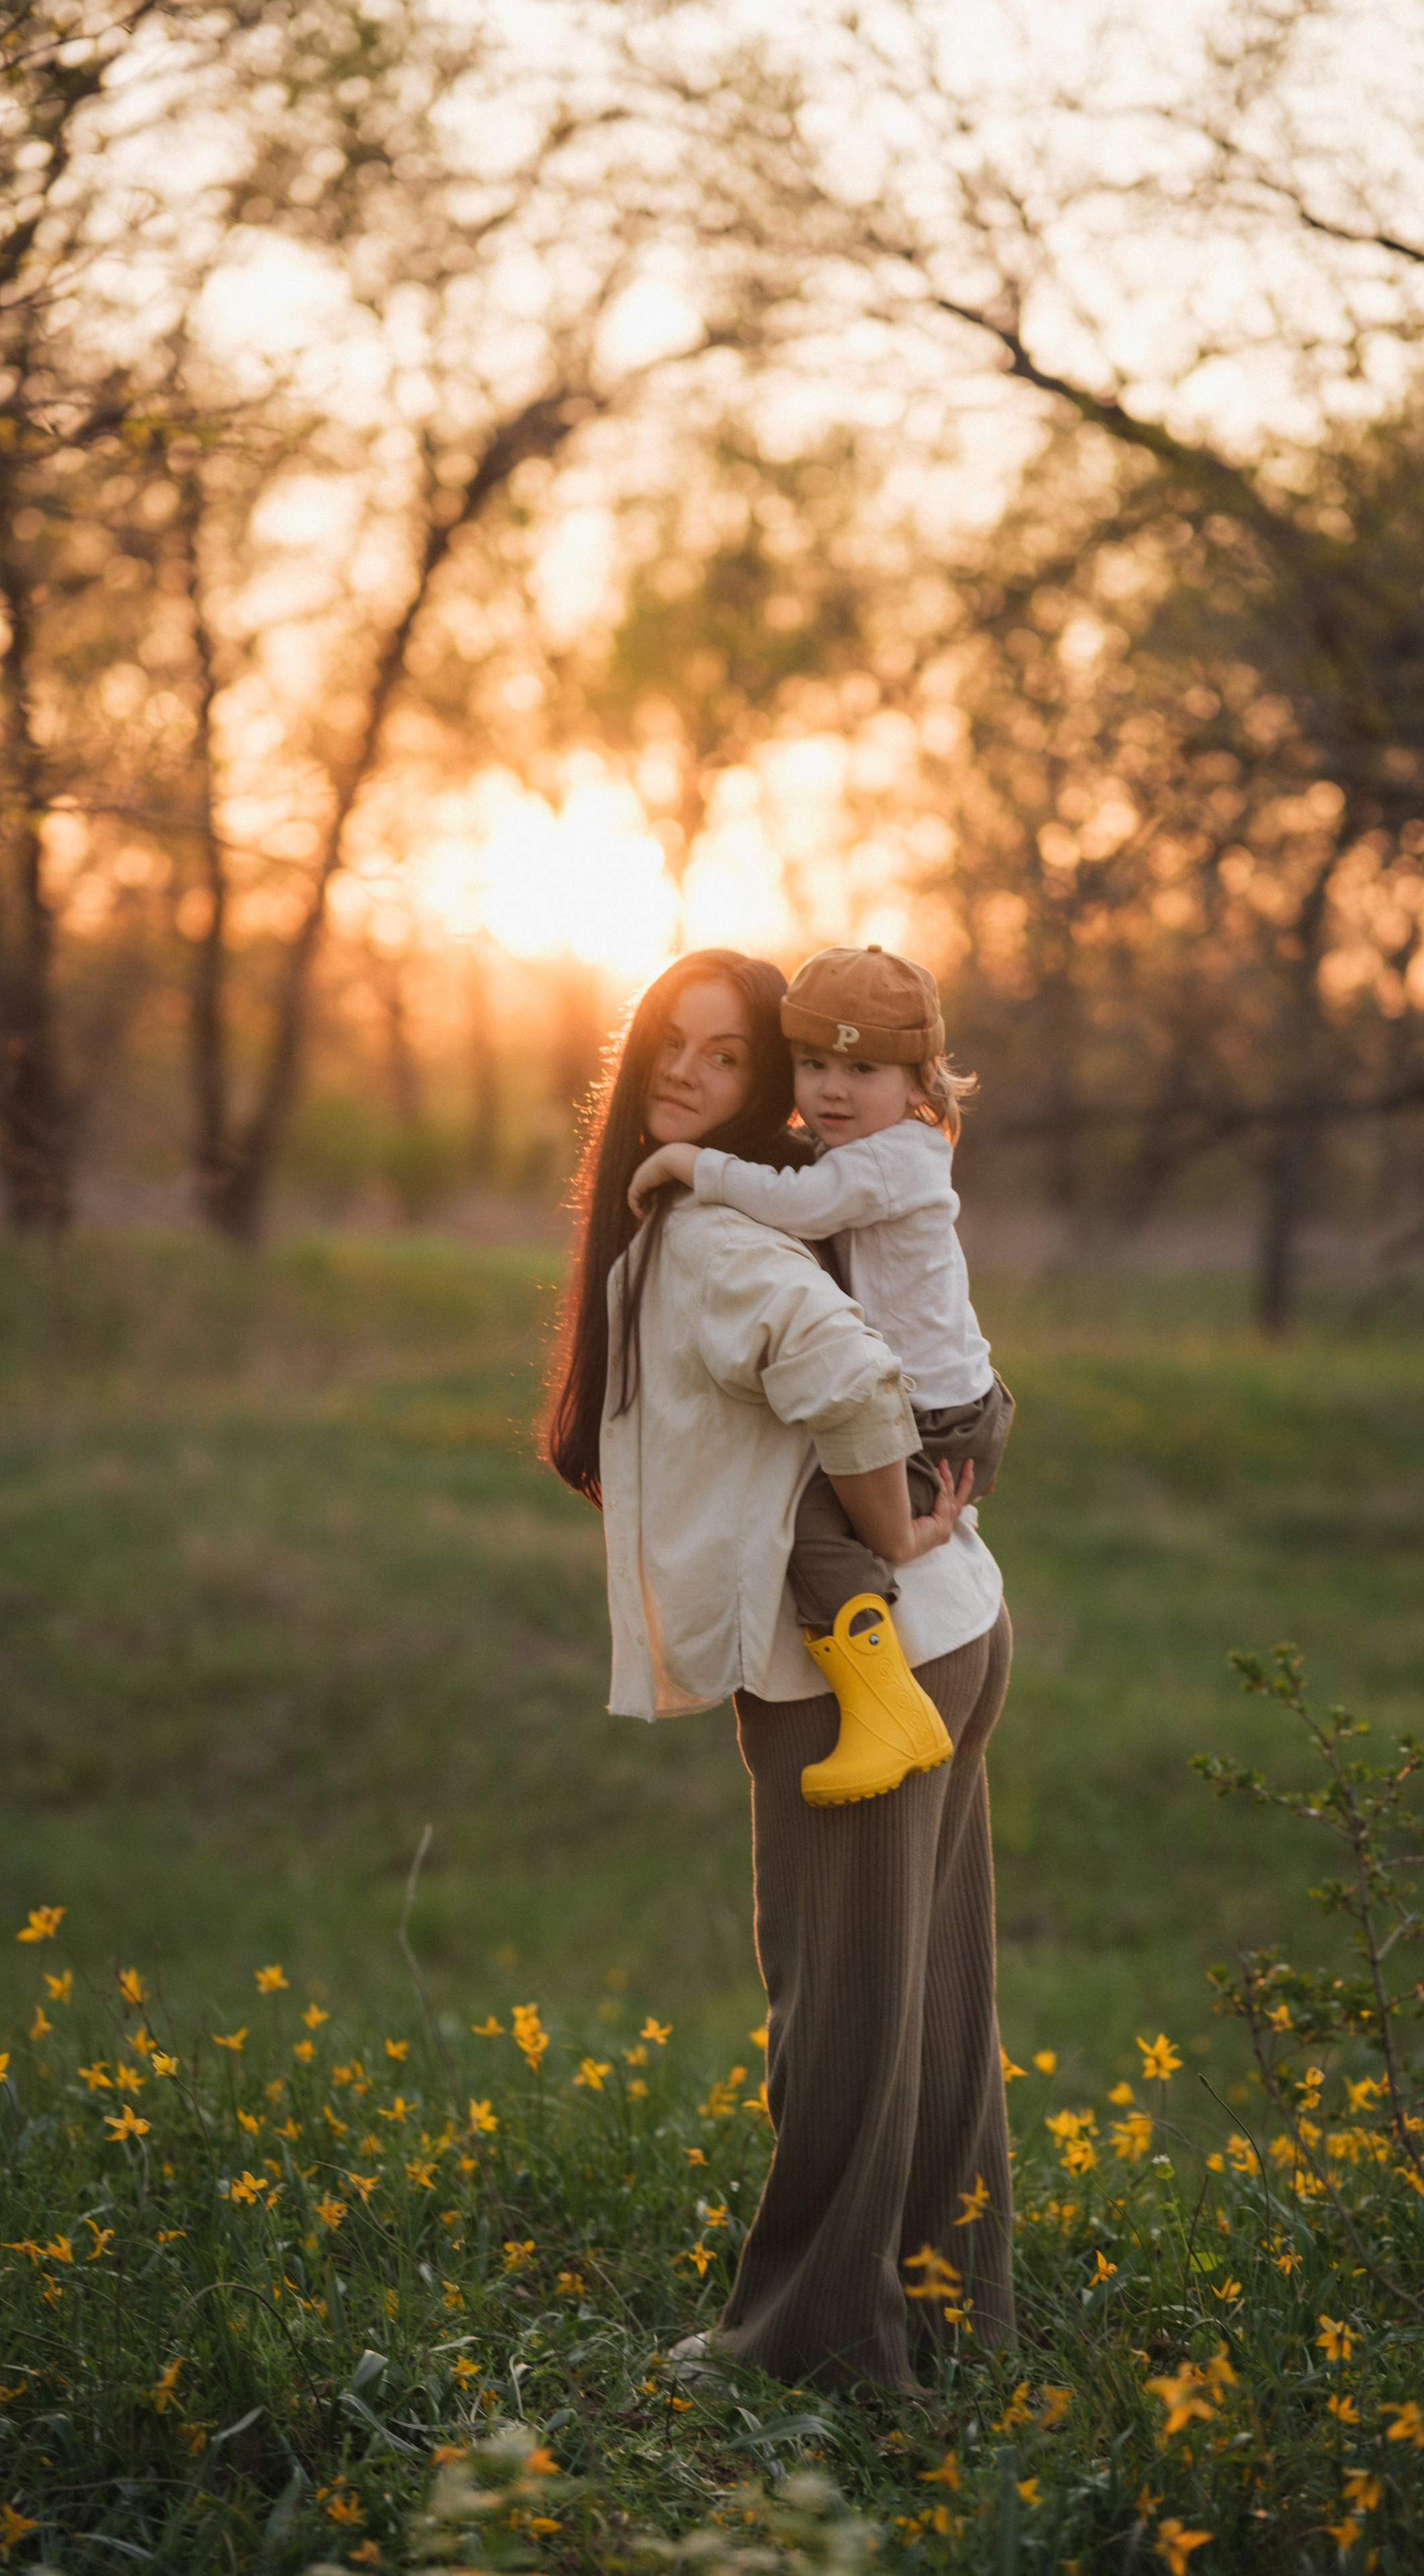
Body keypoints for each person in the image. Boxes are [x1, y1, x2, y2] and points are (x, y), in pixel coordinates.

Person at [543, 948, 1014, 2394]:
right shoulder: (767, 1213)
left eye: (723, 1055)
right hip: (948, 1633)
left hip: (857, 1671)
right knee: (927, 2013)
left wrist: (888, 1522)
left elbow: (853, 1379)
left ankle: (813, 2347)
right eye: (664, 1043)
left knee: (844, 2024)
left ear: (771, 1091)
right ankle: (949, 2322)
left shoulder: (712, 1227)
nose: (683, 1074)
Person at [626, 943, 1012, 1810]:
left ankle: (886, 1709)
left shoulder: (893, 1158)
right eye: (811, 1065)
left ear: (919, 1079)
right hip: (951, 1404)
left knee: (811, 1521)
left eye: (862, 1067)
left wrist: (691, 1164)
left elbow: (801, 1208)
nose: (831, 1091)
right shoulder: (874, 1145)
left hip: (940, 1414)